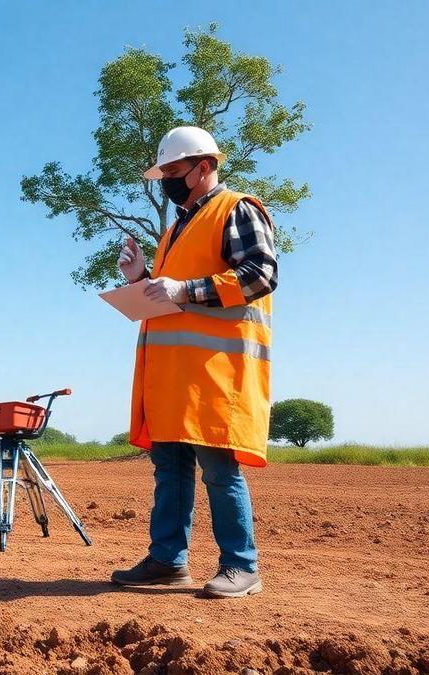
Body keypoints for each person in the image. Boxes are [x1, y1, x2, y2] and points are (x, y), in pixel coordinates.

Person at [110, 125, 278, 598]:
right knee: (170, 469)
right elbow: (170, 299)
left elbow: (260, 274)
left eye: (174, 170)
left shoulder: (237, 209)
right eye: (163, 173)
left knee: (219, 470)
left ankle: (241, 566)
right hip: (171, 378)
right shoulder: (174, 230)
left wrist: (183, 289)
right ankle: (167, 561)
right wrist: (141, 277)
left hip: (214, 376)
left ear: (204, 167)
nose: (166, 179)